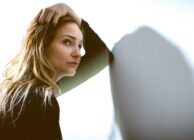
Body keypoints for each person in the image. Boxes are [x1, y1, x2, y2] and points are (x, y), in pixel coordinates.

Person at [0, 3, 113, 140]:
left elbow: (102, 55)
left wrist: (69, 11)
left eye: (80, 45)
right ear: (42, 46)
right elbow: (102, 55)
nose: (77, 53)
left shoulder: (16, 90)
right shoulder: (40, 100)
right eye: (67, 42)